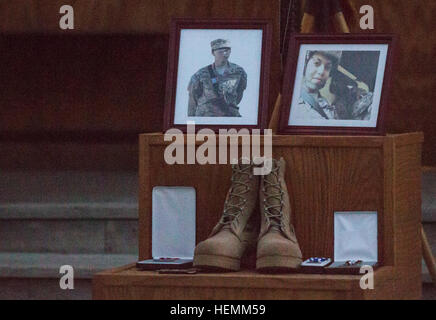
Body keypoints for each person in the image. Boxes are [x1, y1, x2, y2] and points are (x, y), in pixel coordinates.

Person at [187, 39, 247, 117]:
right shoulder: (200, 74)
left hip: (230, 118)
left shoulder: (239, 72)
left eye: (227, 50)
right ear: (213, 52)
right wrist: (191, 125)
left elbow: (239, 94)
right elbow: (192, 100)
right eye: (220, 51)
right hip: (206, 119)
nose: (224, 54)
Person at [293, 50, 341, 120]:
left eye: (327, 67)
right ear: (305, 64)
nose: (321, 71)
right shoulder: (291, 101)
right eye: (316, 63)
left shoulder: (327, 104)